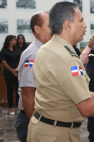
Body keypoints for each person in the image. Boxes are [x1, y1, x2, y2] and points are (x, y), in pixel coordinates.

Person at [27, 1, 94, 142]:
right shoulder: (66, 57)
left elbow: (64, 91)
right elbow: (87, 109)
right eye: (81, 20)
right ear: (68, 25)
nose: (85, 25)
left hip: (43, 128)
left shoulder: (47, 48)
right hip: (57, 135)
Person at [13, 11, 52, 142]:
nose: (54, 30)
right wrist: (36, 124)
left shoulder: (45, 50)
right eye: (50, 26)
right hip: (31, 119)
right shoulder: (33, 54)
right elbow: (28, 94)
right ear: (37, 29)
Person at [0, 35, 20, 115]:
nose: (16, 41)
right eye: (14, 39)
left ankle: (18, 107)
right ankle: (11, 107)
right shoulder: (4, 50)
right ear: (10, 41)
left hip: (17, 73)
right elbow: (4, 62)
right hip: (8, 73)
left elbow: (20, 60)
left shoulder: (17, 50)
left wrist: (16, 70)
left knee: (18, 90)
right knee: (10, 90)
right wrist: (12, 70)